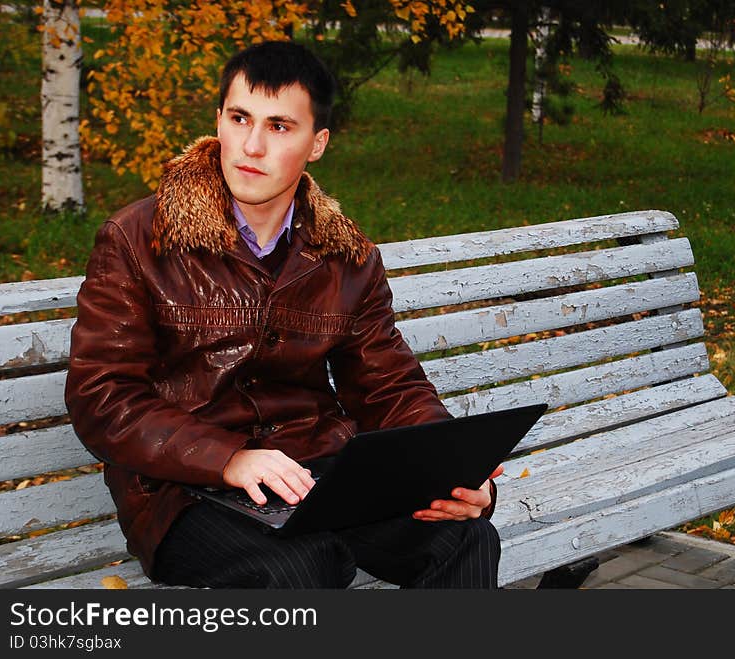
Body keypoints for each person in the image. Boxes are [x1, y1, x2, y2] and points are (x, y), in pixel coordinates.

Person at [64, 40, 502, 589]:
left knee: (465, 536)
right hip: (183, 491)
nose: (250, 146)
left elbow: (389, 385)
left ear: (317, 143)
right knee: (300, 566)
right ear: (217, 120)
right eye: (240, 117)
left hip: (315, 475)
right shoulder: (138, 239)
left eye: (278, 127)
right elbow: (102, 395)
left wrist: (456, 474)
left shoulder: (346, 258)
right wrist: (228, 458)